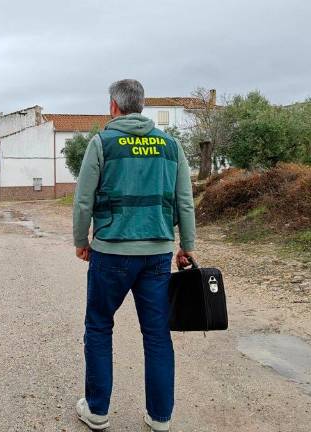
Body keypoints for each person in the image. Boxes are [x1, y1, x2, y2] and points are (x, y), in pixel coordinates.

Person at [72, 79, 196, 431]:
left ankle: (97, 410)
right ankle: (160, 417)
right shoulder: (171, 146)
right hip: (157, 253)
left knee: (98, 327)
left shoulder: (102, 142)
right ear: (141, 106)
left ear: (114, 106)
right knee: (157, 334)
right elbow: (184, 199)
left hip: (111, 252)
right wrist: (187, 245)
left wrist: (82, 239)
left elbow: (83, 198)